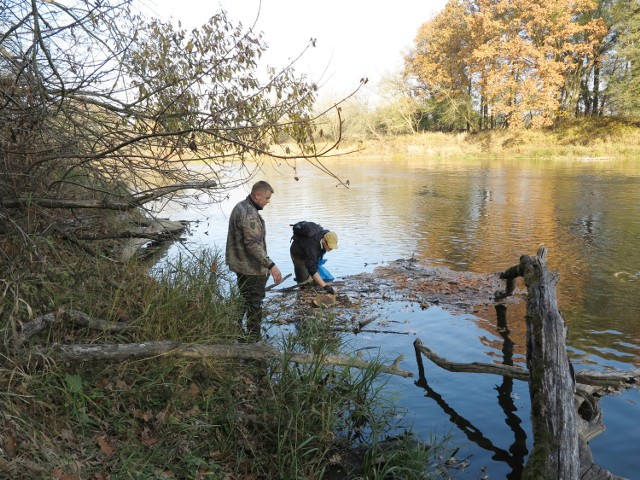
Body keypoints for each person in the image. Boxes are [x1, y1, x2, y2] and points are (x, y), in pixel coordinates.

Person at [226, 180, 282, 339]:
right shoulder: (250, 214)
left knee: (244, 300)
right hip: (252, 269)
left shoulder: (240, 206)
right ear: (257, 195)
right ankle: (254, 340)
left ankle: (235, 332)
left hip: (240, 265)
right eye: (267, 198)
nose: (268, 201)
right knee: (254, 304)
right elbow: (252, 245)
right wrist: (271, 265)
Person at [290, 221, 338, 294]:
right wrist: (325, 286)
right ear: (324, 241)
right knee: (304, 281)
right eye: (330, 246)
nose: (331, 249)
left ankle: (314, 280)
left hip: (309, 250)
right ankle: (302, 291)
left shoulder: (327, 234)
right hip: (298, 253)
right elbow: (312, 270)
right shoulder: (312, 247)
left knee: (312, 265)